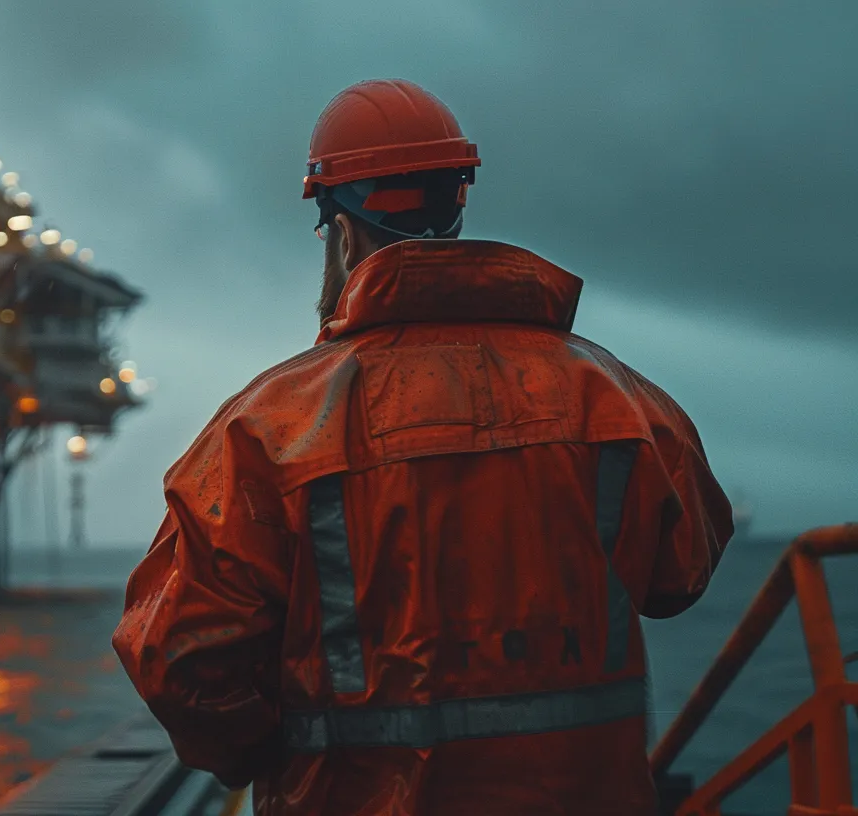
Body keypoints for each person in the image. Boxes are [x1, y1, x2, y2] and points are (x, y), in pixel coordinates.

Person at [112, 79, 734, 815]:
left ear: (340, 231)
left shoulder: (266, 430)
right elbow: (679, 576)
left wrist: (255, 752)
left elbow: (178, 659)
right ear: (457, 206)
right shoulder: (619, 400)